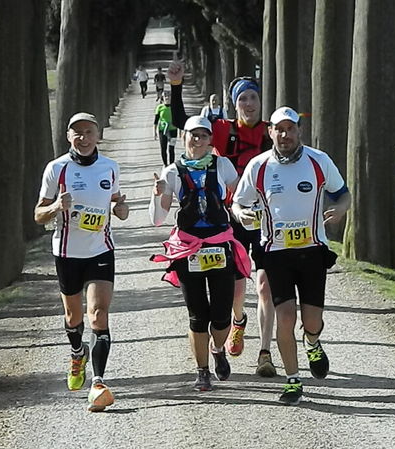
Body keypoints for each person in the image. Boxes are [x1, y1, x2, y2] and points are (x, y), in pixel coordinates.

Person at [232, 106, 350, 405]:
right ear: (270, 132)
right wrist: (243, 214)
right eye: (278, 129)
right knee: (285, 317)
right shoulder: (259, 166)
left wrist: (341, 209)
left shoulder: (319, 161)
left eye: (290, 129)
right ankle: (293, 381)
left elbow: (343, 193)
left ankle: (312, 342)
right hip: (275, 252)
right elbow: (237, 203)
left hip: (312, 251)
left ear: (299, 131)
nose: (284, 135)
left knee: (311, 321)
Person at [168, 60, 277, 378]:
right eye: (242, 98)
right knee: (236, 287)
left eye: (253, 98)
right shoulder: (222, 129)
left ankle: (265, 354)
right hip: (231, 218)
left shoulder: (272, 132)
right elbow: (183, 123)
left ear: (260, 101)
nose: (248, 104)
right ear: (234, 103)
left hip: (267, 217)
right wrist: (177, 87)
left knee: (265, 286)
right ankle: (238, 320)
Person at [34, 112, 129, 412]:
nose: (83, 138)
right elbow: (37, 214)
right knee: (73, 318)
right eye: (77, 133)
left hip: (100, 250)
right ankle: (78, 352)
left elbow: (118, 206)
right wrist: (54, 208)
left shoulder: (110, 167)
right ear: (68, 136)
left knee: (98, 315)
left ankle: (98, 381)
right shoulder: (56, 168)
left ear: (97, 135)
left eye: (89, 132)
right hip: (67, 253)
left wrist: (122, 207)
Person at [149, 115, 251, 391]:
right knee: (197, 316)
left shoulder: (223, 165)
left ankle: (218, 348)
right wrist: (160, 194)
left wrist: (247, 211)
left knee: (220, 315)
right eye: (193, 135)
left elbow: (241, 193)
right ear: (184, 138)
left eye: (203, 135)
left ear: (210, 140)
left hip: (218, 243)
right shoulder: (172, 171)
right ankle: (202, 370)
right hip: (187, 246)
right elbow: (159, 217)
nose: (198, 140)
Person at [153, 92, 178, 166]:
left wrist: (180, 131)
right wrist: (155, 132)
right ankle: (165, 164)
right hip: (163, 130)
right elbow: (156, 121)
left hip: (173, 130)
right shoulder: (159, 107)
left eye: (169, 96)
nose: (167, 98)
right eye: (165, 96)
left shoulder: (175, 107)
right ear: (162, 98)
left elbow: (178, 120)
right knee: (163, 148)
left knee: (171, 148)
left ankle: (171, 165)